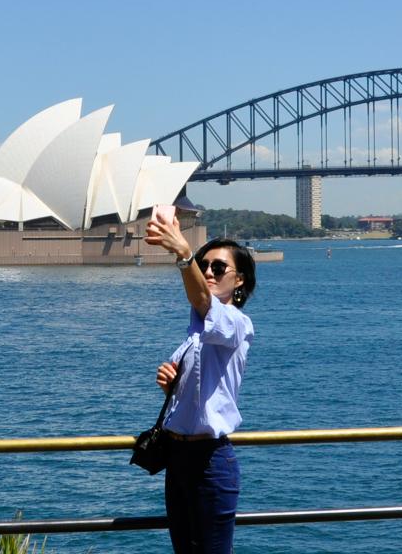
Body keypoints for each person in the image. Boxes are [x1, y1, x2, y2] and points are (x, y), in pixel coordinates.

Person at [144, 214, 256, 554]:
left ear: (239, 281)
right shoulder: (195, 332)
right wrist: (172, 389)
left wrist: (183, 254)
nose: (208, 272)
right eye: (204, 265)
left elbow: (204, 303)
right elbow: (204, 391)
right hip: (177, 458)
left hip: (210, 462)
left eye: (219, 269)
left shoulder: (237, 324)